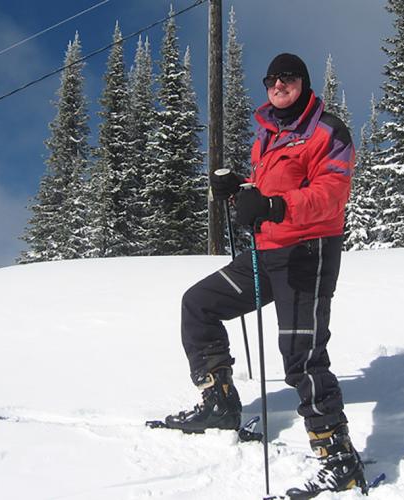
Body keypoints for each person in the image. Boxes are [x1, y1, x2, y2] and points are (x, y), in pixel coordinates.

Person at [162, 53, 366, 497]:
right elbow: (268, 192)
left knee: (301, 354)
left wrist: (275, 207)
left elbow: (332, 193)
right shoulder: (269, 136)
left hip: (307, 255)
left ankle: (338, 457)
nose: (278, 85)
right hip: (266, 253)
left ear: (303, 83)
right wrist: (240, 189)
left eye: (288, 78)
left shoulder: (326, 130)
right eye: (272, 78)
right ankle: (220, 402)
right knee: (199, 304)